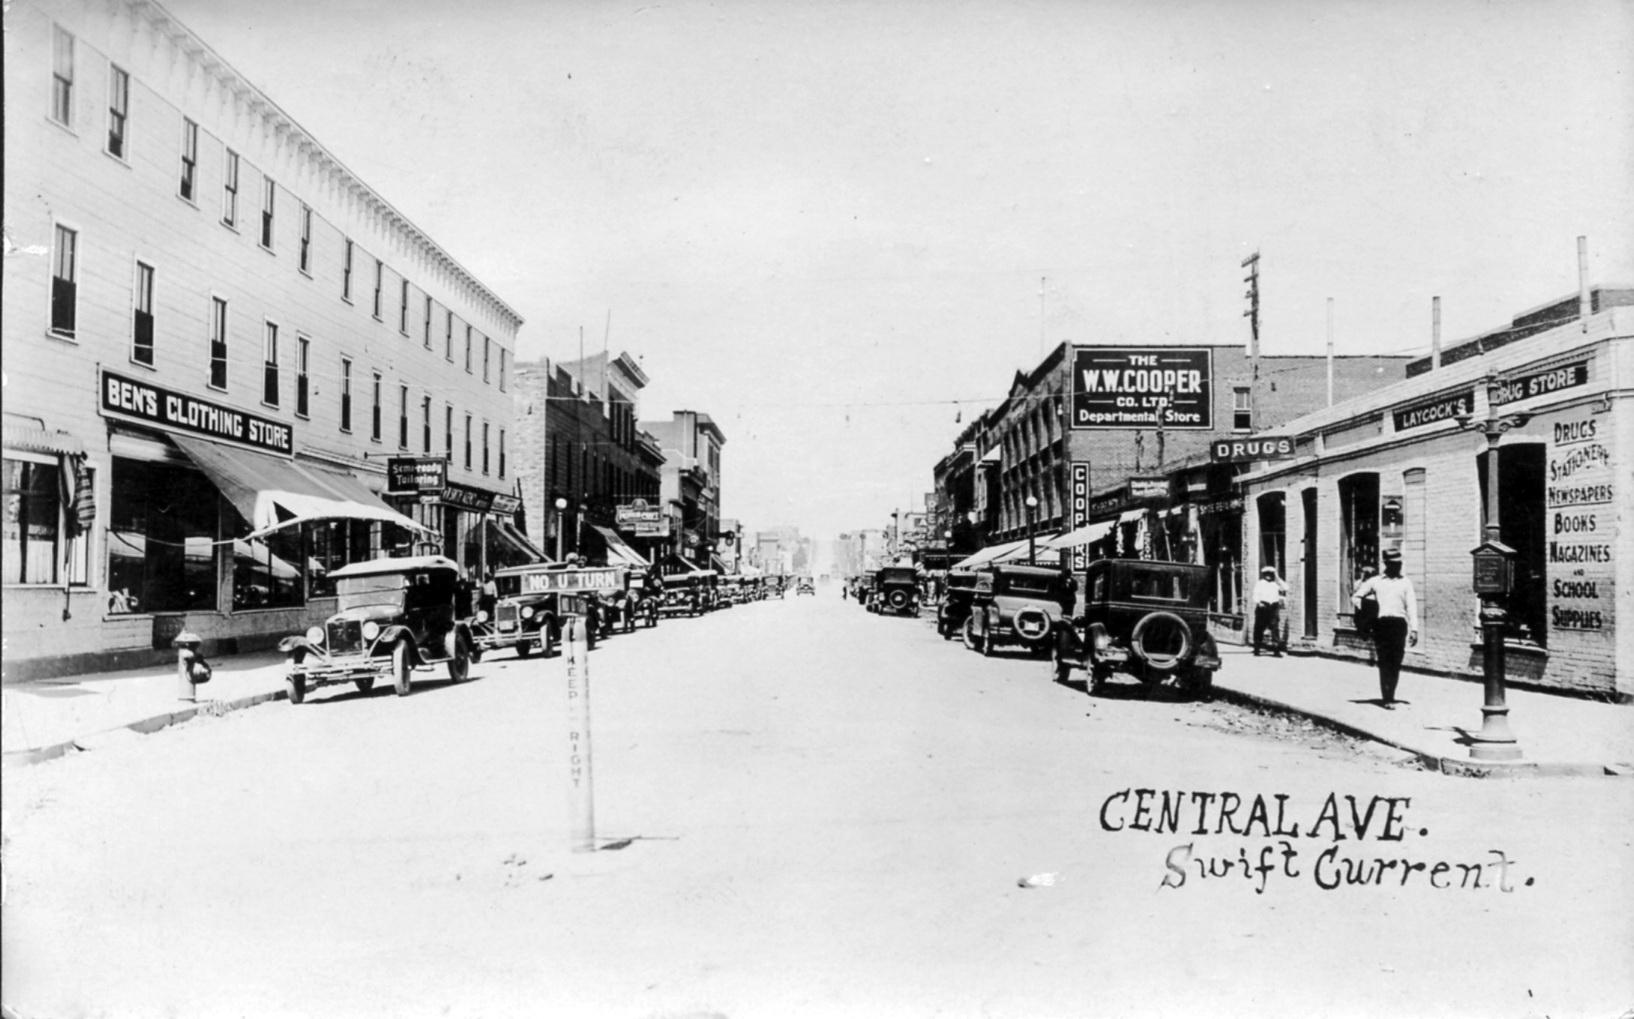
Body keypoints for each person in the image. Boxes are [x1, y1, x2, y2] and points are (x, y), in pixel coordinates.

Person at [1351, 548, 1418, 708]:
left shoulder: (1405, 582)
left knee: (1396, 661)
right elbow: (1355, 597)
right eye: (1395, 563)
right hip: (1382, 625)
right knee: (1384, 661)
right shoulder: (1375, 581)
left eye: (1400, 563)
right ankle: (1386, 698)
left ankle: (1391, 695)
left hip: (1399, 625)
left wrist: (1414, 629)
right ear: (1387, 564)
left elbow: (1412, 607)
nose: (1398, 566)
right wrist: (1370, 607)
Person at [1251, 566, 1287, 656]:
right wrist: (1258, 603)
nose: (1268, 576)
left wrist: (1277, 577)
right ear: (1263, 575)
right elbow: (1256, 594)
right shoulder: (1260, 583)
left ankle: (1276, 649)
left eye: (1270, 574)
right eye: (1266, 574)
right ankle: (1257, 648)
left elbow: (1286, 588)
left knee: (1275, 628)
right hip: (1263, 606)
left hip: (1273, 607)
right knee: (1259, 628)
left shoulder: (1275, 584)